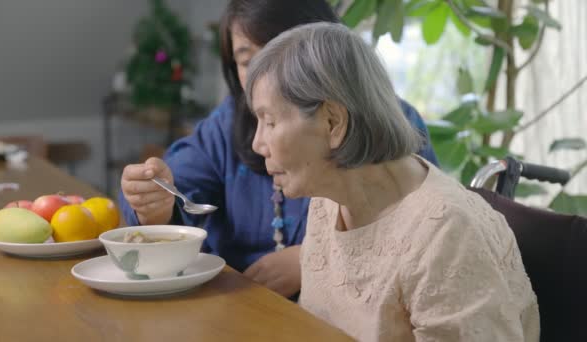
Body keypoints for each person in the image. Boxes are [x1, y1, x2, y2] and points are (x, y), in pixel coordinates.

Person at [119, 0, 439, 298]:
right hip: (236, 307)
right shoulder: (227, 124)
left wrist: (316, 258)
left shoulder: (384, 124)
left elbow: (418, 236)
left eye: (279, 51)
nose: (263, 74)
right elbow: (172, 186)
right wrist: (156, 204)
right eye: (247, 60)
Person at [246, 22, 539, 341]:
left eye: (270, 121)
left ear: (333, 122)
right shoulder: (329, 200)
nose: (257, 144)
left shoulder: (446, 235)